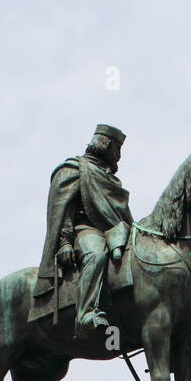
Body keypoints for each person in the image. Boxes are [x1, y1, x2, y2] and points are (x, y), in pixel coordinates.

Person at [34, 124, 133, 333]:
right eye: (117, 149)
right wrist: (64, 243)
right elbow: (61, 210)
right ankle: (86, 313)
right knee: (96, 255)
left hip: (116, 232)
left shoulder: (109, 177)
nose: (119, 157)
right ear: (105, 146)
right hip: (84, 230)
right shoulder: (74, 169)